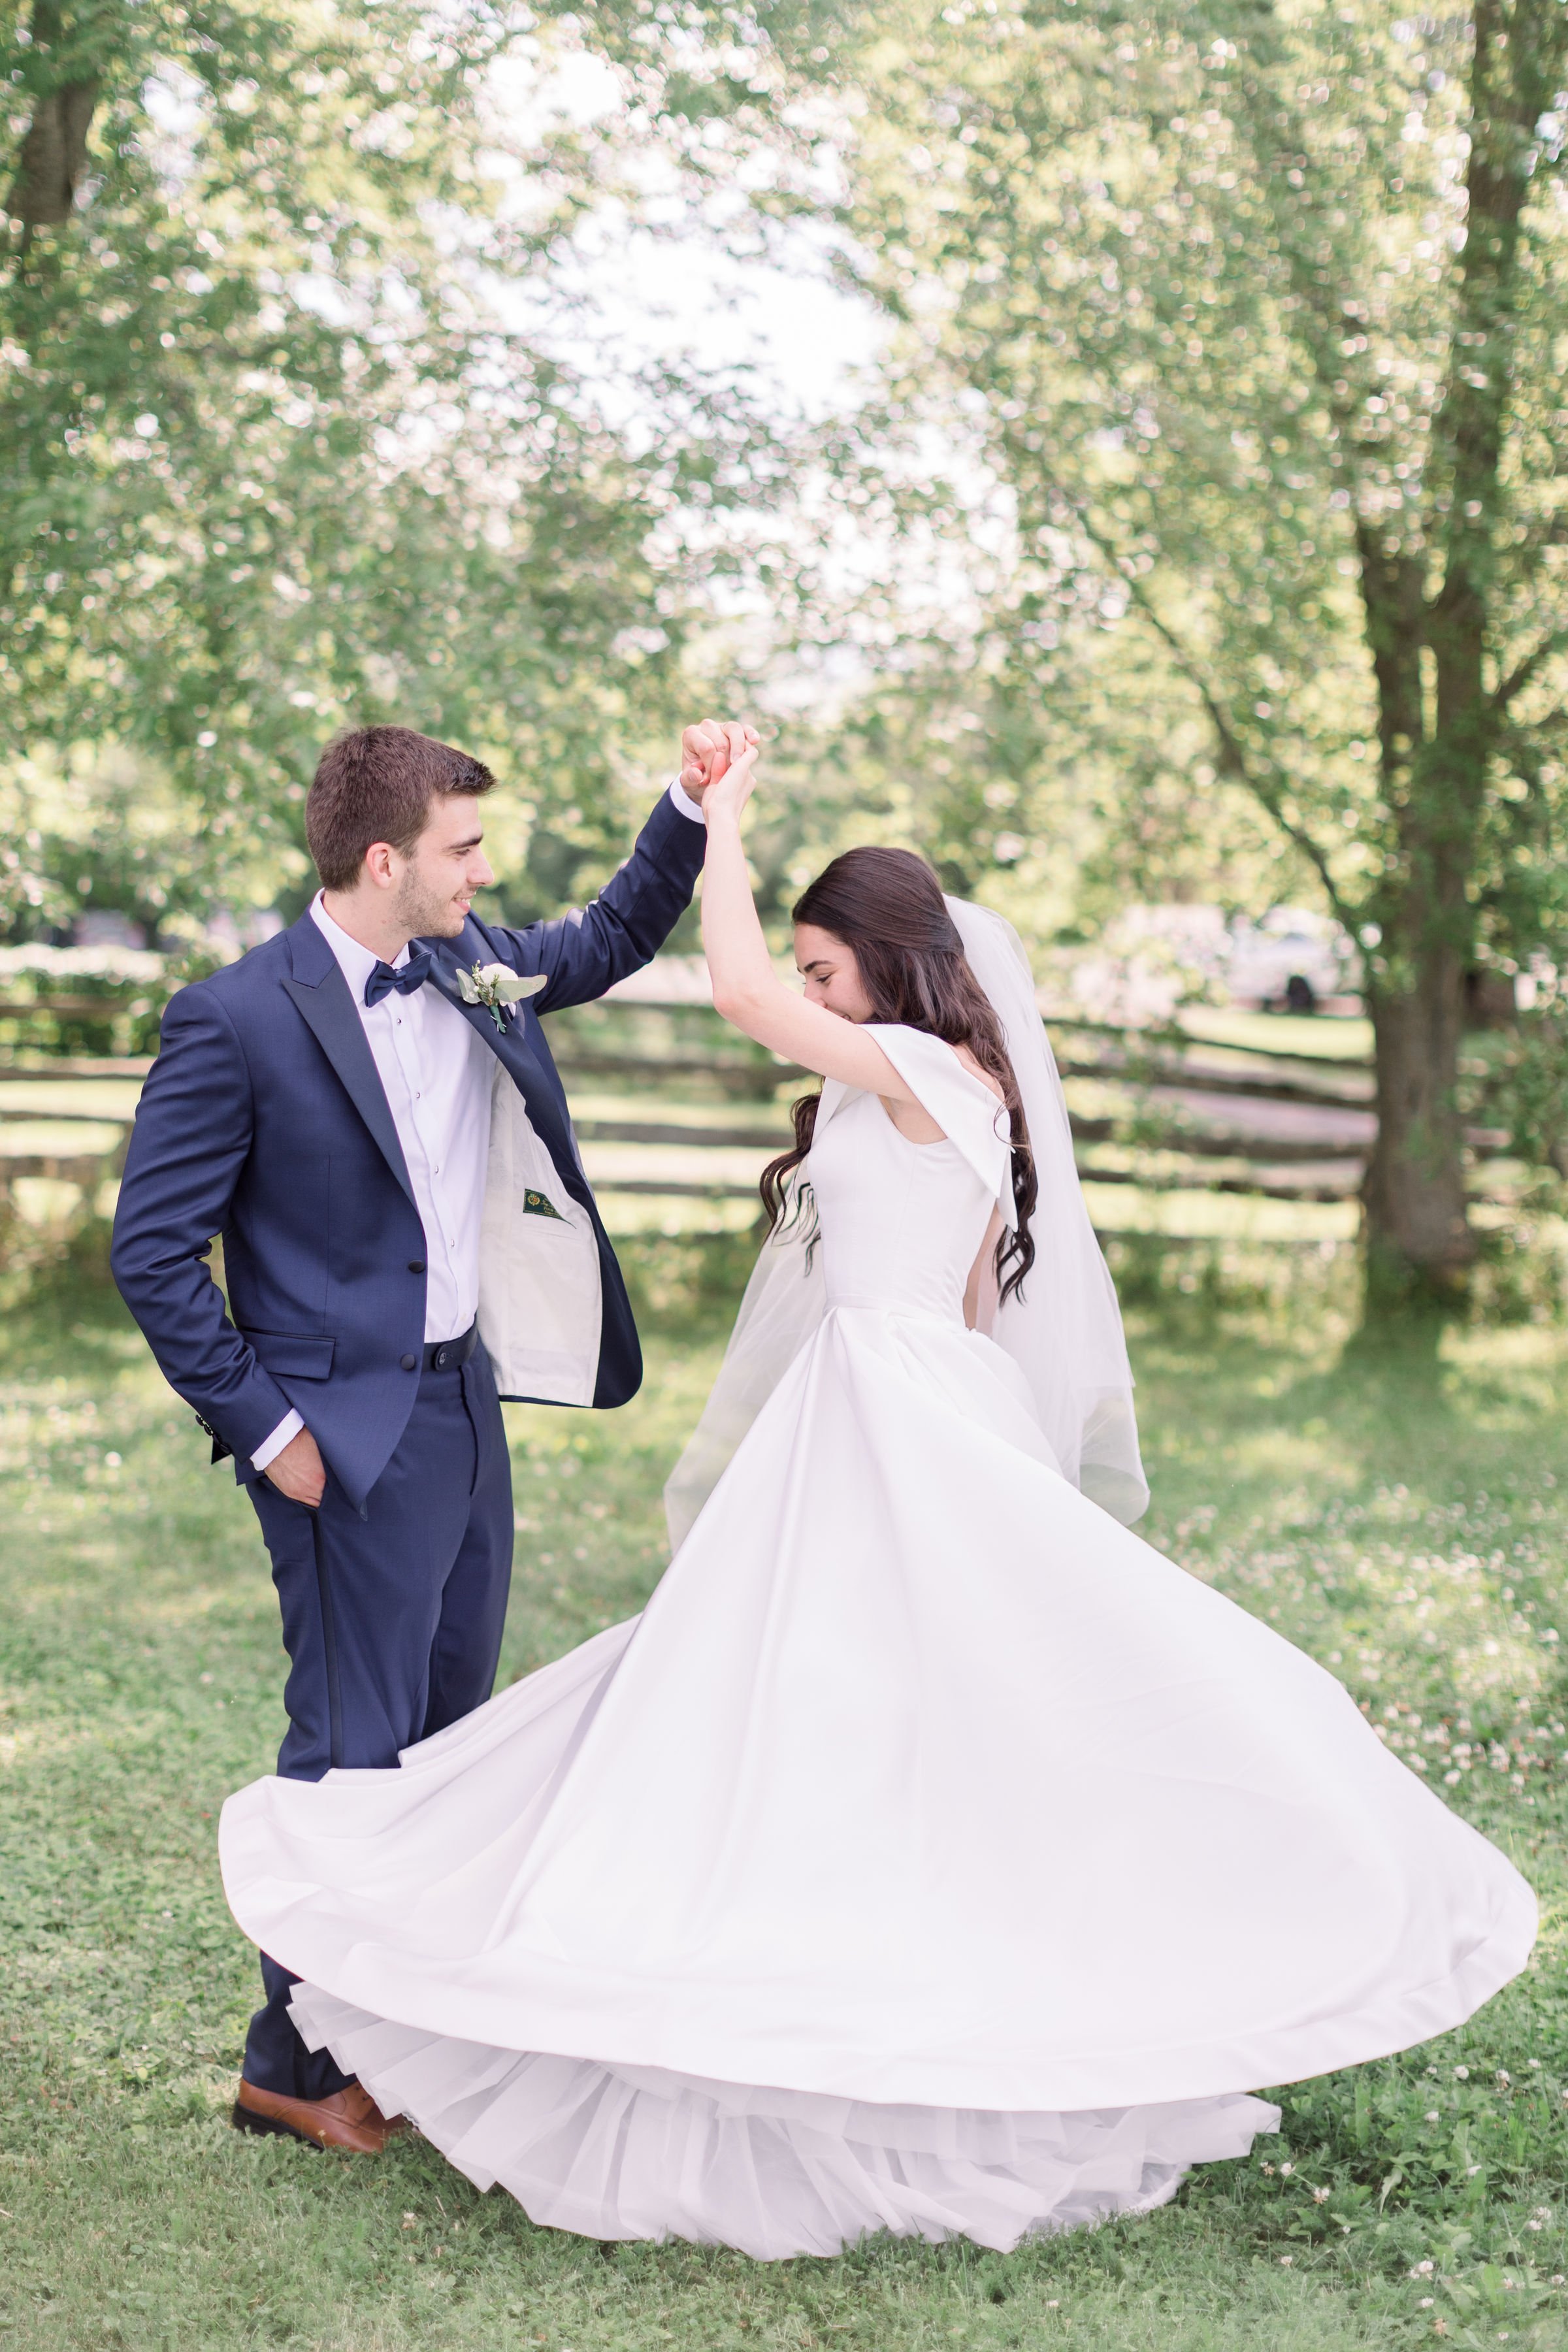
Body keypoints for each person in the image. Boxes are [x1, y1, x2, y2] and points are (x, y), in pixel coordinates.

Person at [217, 740, 1536, 2256]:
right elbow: (973, 1302)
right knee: (834, 1724)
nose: (812, 998)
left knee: (838, 1717)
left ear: (899, 977)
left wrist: (723, 828)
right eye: (810, 971)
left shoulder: (925, 1068)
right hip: (893, 1407)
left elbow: (733, 999)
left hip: (894, 1418)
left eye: (831, 972)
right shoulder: (932, 1091)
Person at [112, 717, 753, 2151]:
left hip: (467, 1409)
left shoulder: (471, 962)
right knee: (353, 1747)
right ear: (386, 857)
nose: (484, 873)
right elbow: (152, 1252)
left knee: (452, 1738)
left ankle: (398, 2045)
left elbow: (610, 934)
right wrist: (270, 1427)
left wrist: (687, 805)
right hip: (337, 1437)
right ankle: (287, 2061)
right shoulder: (238, 1017)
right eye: (464, 849)